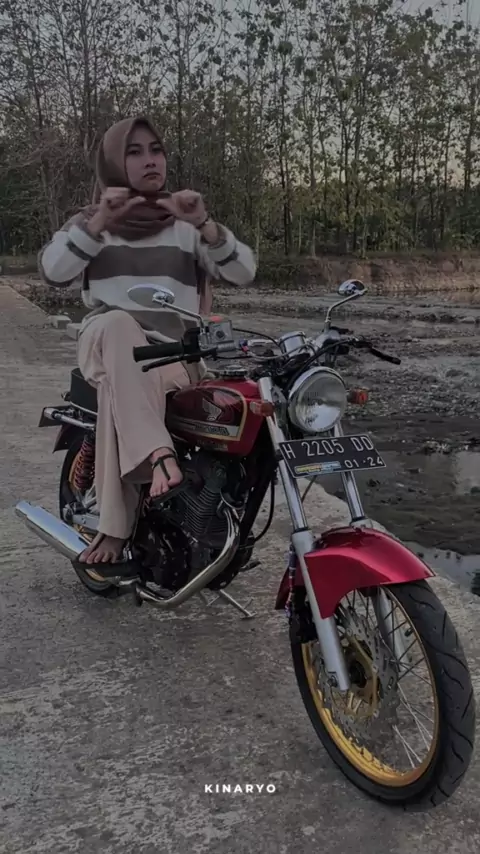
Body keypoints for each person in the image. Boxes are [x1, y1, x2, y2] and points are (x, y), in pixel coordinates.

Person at [38, 116, 256, 568]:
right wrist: (101, 220)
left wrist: (205, 224)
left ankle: (216, 520)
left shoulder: (185, 225)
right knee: (120, 325)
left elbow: (243, 272)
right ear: (113, 163)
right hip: (106, 342)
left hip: (174, 357)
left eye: (155, 150)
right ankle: (148, 468)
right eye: (134, 152)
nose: (149, 159)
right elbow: (54, 271)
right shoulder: (91, 222)